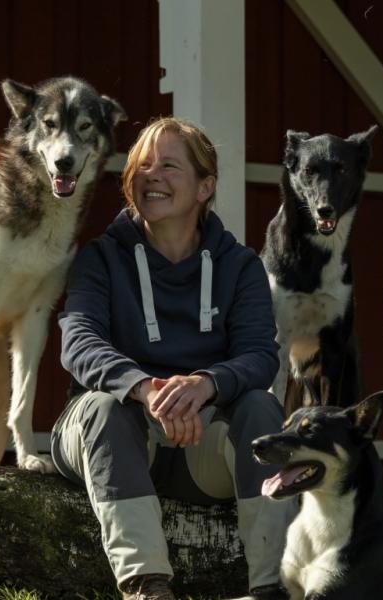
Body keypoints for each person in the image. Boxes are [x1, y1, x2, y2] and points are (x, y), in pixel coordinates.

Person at [51, 117, 296, 600]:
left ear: (205, 187)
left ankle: (274, 587)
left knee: (262, 409)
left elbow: (258, 355)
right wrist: (146, 388)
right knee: (104, 407)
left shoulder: (239, 264)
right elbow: (77, 340)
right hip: (112, 439)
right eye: (141, 166)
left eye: (168, 166)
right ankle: (146, 586)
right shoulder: (101, 256)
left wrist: (205, 383)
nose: (151, 176)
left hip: (201, 443)